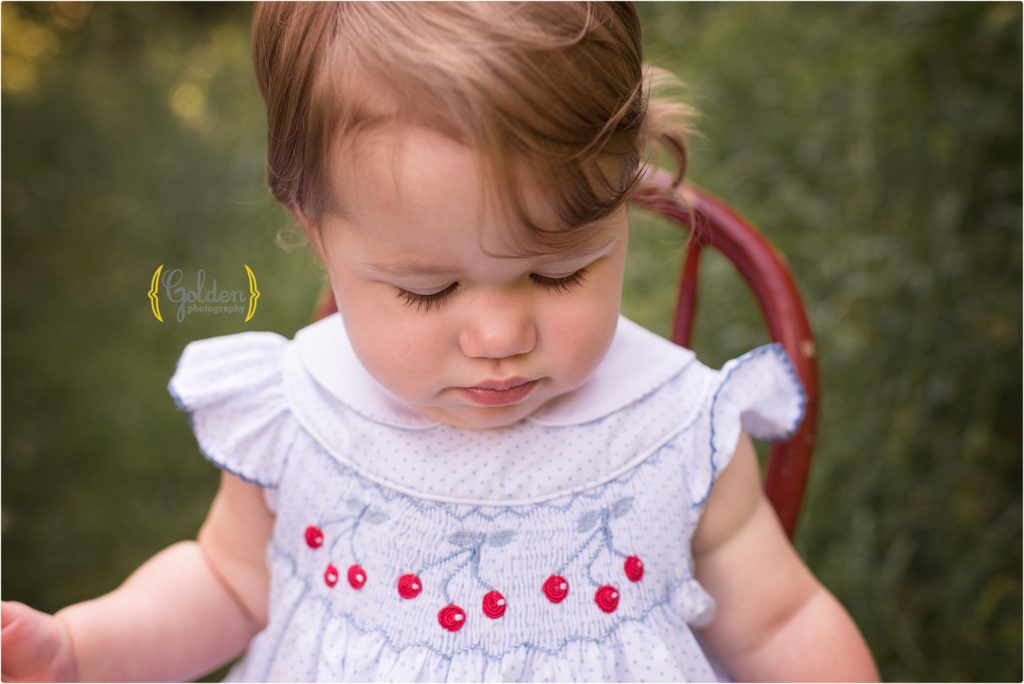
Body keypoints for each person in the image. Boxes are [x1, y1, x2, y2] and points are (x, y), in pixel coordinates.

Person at [1, 3, 879, 681]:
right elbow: (229, 583)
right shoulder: (299, 409)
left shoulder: (677, 431)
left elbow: (776, 622)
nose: (501, 335)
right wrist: (82, 649)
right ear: (317, 234)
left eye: (560, 273)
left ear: (620, 207)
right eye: (429, 289)